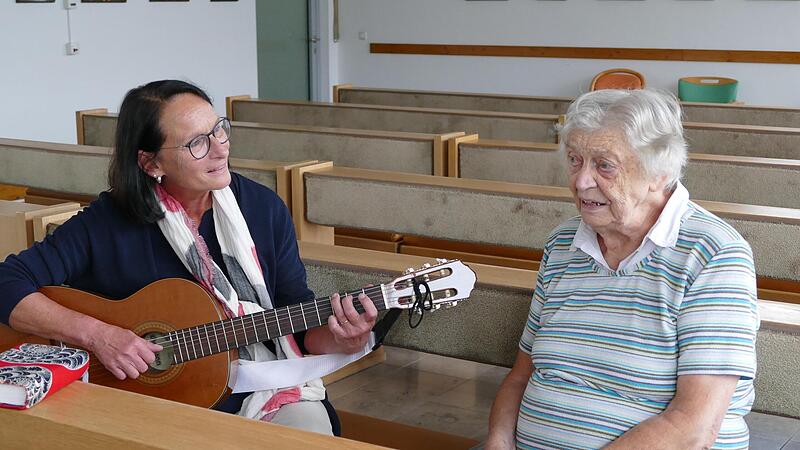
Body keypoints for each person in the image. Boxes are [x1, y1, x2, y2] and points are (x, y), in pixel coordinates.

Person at [0, 79, 377, 435]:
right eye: (197, 142)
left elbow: (297, 321)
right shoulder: (107, 222)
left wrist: (342, 339)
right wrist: (99, 336)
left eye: (219, 130)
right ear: (151, 164)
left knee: (309, 434)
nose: (220, 148)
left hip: (260, 386)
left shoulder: (263, 209)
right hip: (144, 400)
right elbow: (7, 282)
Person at [486, 89, 758, 449]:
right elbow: (523, 376)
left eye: (604, 165)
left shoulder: (713, 254)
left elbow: (694, 427)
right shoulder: (563, 243)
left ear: (657, 174)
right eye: (574, 160)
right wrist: (499, 441)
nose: (581, 181)